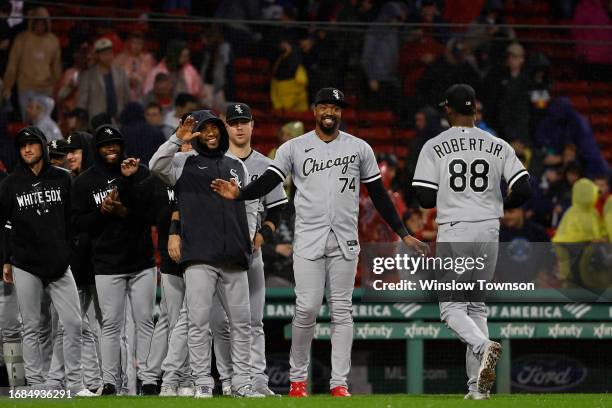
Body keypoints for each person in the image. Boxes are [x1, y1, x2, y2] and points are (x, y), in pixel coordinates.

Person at [211, 87, 428, 397]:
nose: (331, 112)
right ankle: (298, 381)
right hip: (309, 241)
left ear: (341, 113)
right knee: (307, 310)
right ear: (314, 110)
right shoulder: (293, 148)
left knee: (342, 312)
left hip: (344, 241)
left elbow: (379, 195)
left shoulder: (359, 148)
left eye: (336, 107)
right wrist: (242, 194)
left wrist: (403, 232)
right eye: (325, 106)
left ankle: (339, 383)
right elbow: (271, 180)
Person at [411, 84, 532, 400]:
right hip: (490, 229)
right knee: (476, 306)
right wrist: (501, 198)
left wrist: (451, 193)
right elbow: (524, 188)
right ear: (475, 110)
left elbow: (423, 197)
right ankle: (477, 389)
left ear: (448, 110)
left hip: (456, 229)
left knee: (451, 307)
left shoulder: (435, 145)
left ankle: (483, 346)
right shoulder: (498, 144)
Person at [149, 110, 262, 398]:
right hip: (199, 256)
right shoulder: (182, 162)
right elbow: (154, 166)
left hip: (234, 257)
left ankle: (242, 382)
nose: (211, 133)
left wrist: (246, 241)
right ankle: (202, 382)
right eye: (204, 129)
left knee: (241, 324)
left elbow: (250, 205)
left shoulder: (237, 165)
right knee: (198, 324)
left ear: (221, 132)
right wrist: (176, 139)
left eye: (215, 128)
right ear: (197, 133)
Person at [0, 126, 97, 397]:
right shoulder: (10, 184)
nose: (27, 149)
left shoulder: (63, 179)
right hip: (26, 264)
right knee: (31, 327)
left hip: (59, 265)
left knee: (74, 323)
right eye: (22, 146)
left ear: (42, 146)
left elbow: (73, 220)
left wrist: (68, 250)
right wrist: (6, 259)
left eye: (32, 144)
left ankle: (76, 384)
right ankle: (37, 385)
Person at [71, 125, 157, 395]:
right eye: (106, 144)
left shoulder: (139, 173)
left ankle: (149, 379)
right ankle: (110, 383)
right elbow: (78, 223)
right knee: (110, 325)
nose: (111, 148)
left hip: (141, 261)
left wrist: (124, 210)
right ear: (96, 148)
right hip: (107, 264)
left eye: (115, 144)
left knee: (145, 322)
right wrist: (103, 212)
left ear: (122, 146)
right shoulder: (84, 182)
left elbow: (150, 214)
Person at [209, 102, 288, 396]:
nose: (239, 127)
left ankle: (257, 380)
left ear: (253, 125)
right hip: (216, 253)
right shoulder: (214, 161)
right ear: (225, 126)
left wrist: (263, 237)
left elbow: (277, 209)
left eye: (244, 122)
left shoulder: (267, 165)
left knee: (254, 321)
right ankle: (230, 379)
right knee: (219, 322)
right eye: (234, 122)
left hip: (250, 255)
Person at [2, 6, 61, 120]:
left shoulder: (53, 40)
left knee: (45, 122)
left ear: (47, 24)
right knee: (30, 123)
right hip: (26, 86)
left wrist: (55, 87)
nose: (40, 26)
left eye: (43, 23)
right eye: (37, 23)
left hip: (46, 88)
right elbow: (12, 65)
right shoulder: (22, 39)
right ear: (32, 22)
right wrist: (7, 87)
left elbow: (56, 67)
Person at [77, 38, 130, 121]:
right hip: (97, 121)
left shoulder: (121, 74)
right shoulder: (87, 76)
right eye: (104, 54)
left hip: (118, 120)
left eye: (109, 53)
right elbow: (82, 102)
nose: (107, 56)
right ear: (97, 55)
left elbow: (126, 97)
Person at [119, 102, 166, 166]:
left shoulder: (121, 133)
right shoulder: (157, 132)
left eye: (154, 115)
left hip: (129, 170)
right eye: (148, 114)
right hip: (152, 172)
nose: (151, 117)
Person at [113, 32, 155, 101]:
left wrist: (138, 81)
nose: (136, 46)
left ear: (143, 45)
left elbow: (150, 79)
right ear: (129, 43)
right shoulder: (119, 59)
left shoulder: (147, 59)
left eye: (139, 43)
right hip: (122, 94)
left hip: (142, 95)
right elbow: (114, 77)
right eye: (134, 43)